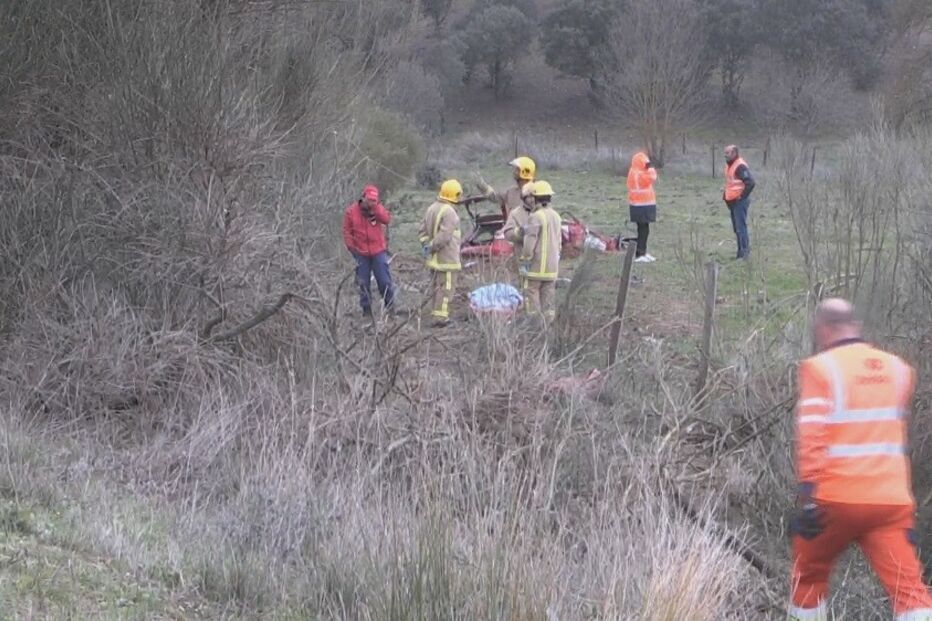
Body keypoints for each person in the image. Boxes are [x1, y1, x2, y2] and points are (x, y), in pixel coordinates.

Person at [789, 298, 932, 620]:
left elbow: (812, 435)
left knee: (808, 577)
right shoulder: (899, 370)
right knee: (910, 590)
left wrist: (808, 499)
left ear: (824, 329)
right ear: (854, 325)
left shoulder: (820, 368)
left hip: (834, 499)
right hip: (891, 503)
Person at [342, 184, 395, 318]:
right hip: (361, 253)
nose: (371, 202)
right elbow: (347, 232)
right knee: (363, 282)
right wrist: (352, 248)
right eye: (369, 200)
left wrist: (376, 209)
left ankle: (390, 307)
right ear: (363, 197)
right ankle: (366, 311)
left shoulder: (377, 209)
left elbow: (387, 219)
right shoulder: (351, 212)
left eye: (374, 200)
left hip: (378, 251)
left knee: (384, 281)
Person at [418, 179, 463, 327]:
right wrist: (432, 246)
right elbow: (444, 236)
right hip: (447, 259)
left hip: (434, 260)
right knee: (446, 289)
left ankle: (436, 313)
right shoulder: (449, 211)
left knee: (436, 287)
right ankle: (441, 319)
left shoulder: (432, 208)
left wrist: (426, 245)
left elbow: (422, 230)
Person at [519, 181, 562, 322]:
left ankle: (534, 327)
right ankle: (548, 327)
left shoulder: (535, 217)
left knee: (531, 296)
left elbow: (529, 242)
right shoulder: (556, 216)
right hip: (552, 269)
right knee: (548, 303)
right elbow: (559, 242)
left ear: (535, 198)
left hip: (535, 270)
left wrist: (525, 261)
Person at [722, 144, 755, 259]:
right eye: (725, 152)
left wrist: (742, 196)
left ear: (734, 153)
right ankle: (740, 253)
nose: (725, 155)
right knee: (737, 228)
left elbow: (750, 183)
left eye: (727, 153)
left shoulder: (740, 166)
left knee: (741, 228)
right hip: (732, 201)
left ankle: (745, 254)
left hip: (739, 202)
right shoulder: (730, 165)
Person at [494, 156, 536, 244]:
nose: (514, 172)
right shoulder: (511, 191)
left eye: (517, 170)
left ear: (524, 172)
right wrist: (484, 188)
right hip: (513, 234)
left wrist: (504, 230)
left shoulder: (535, 194)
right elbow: (496, 197)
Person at [626, 151, 658, 263]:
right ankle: (640, 253)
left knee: (643, 229)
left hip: (640, 205)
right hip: (641, 205)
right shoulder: (638, 173)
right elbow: (652, 177)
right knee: (643, 230)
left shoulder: (634, 172)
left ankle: (642, 251)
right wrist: (651, 168)